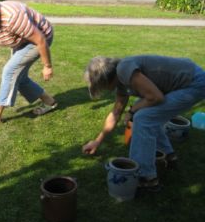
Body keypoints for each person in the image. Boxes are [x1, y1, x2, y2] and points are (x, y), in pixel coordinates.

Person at [82, 55, 205, 190]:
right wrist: (97, 141)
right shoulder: (120, 83)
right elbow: (115, 114)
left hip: (193, 83)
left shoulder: (124, 70)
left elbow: (155, 97)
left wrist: (132, 111)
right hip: (188, 80)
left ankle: (145, 177)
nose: (103, 90)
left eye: (101, 86)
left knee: (143, 118)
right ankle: (168, 156)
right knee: (145, 112)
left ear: (106, 79)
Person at [0, 0, 57, 127]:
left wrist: (47, 66)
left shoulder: (11, 17)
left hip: (40, 38)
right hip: (21, 41)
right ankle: (49, 102)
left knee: (10, 71)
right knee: (19, 77)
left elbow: (40, 40)